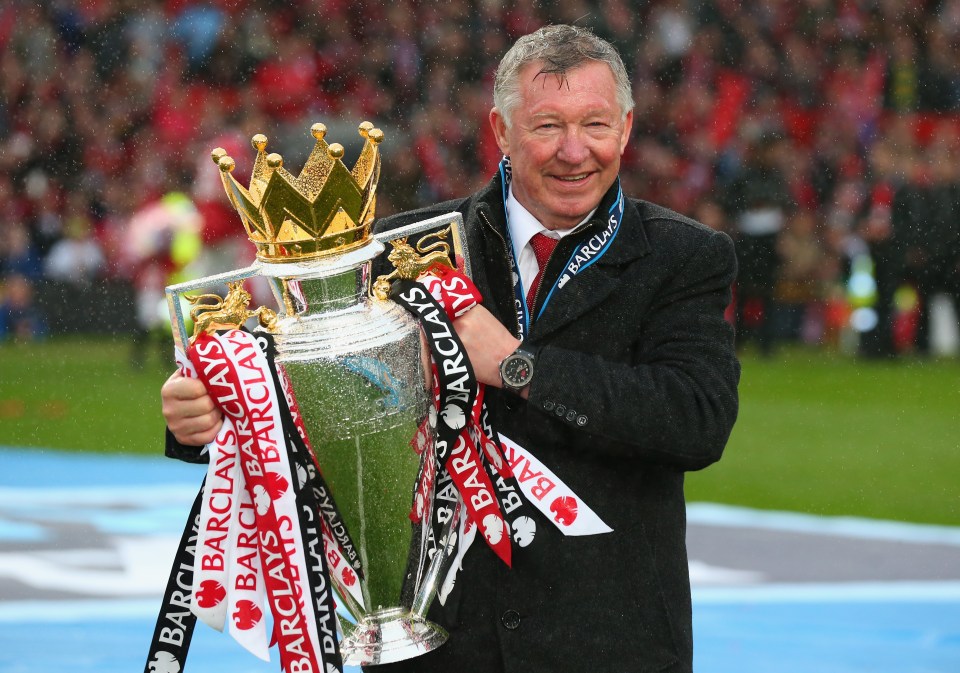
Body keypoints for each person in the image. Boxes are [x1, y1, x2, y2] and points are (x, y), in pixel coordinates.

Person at [162, 25, 740, 673]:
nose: (575, 151)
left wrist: (521, 368)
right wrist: (209, 420)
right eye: (547, 126)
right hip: (439, 643)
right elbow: (320, 410)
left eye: (596, 125)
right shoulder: (394, 252)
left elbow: (695, 421)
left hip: (608, 643)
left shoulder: (681, 256)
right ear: (501, 129)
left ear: (627, 129)